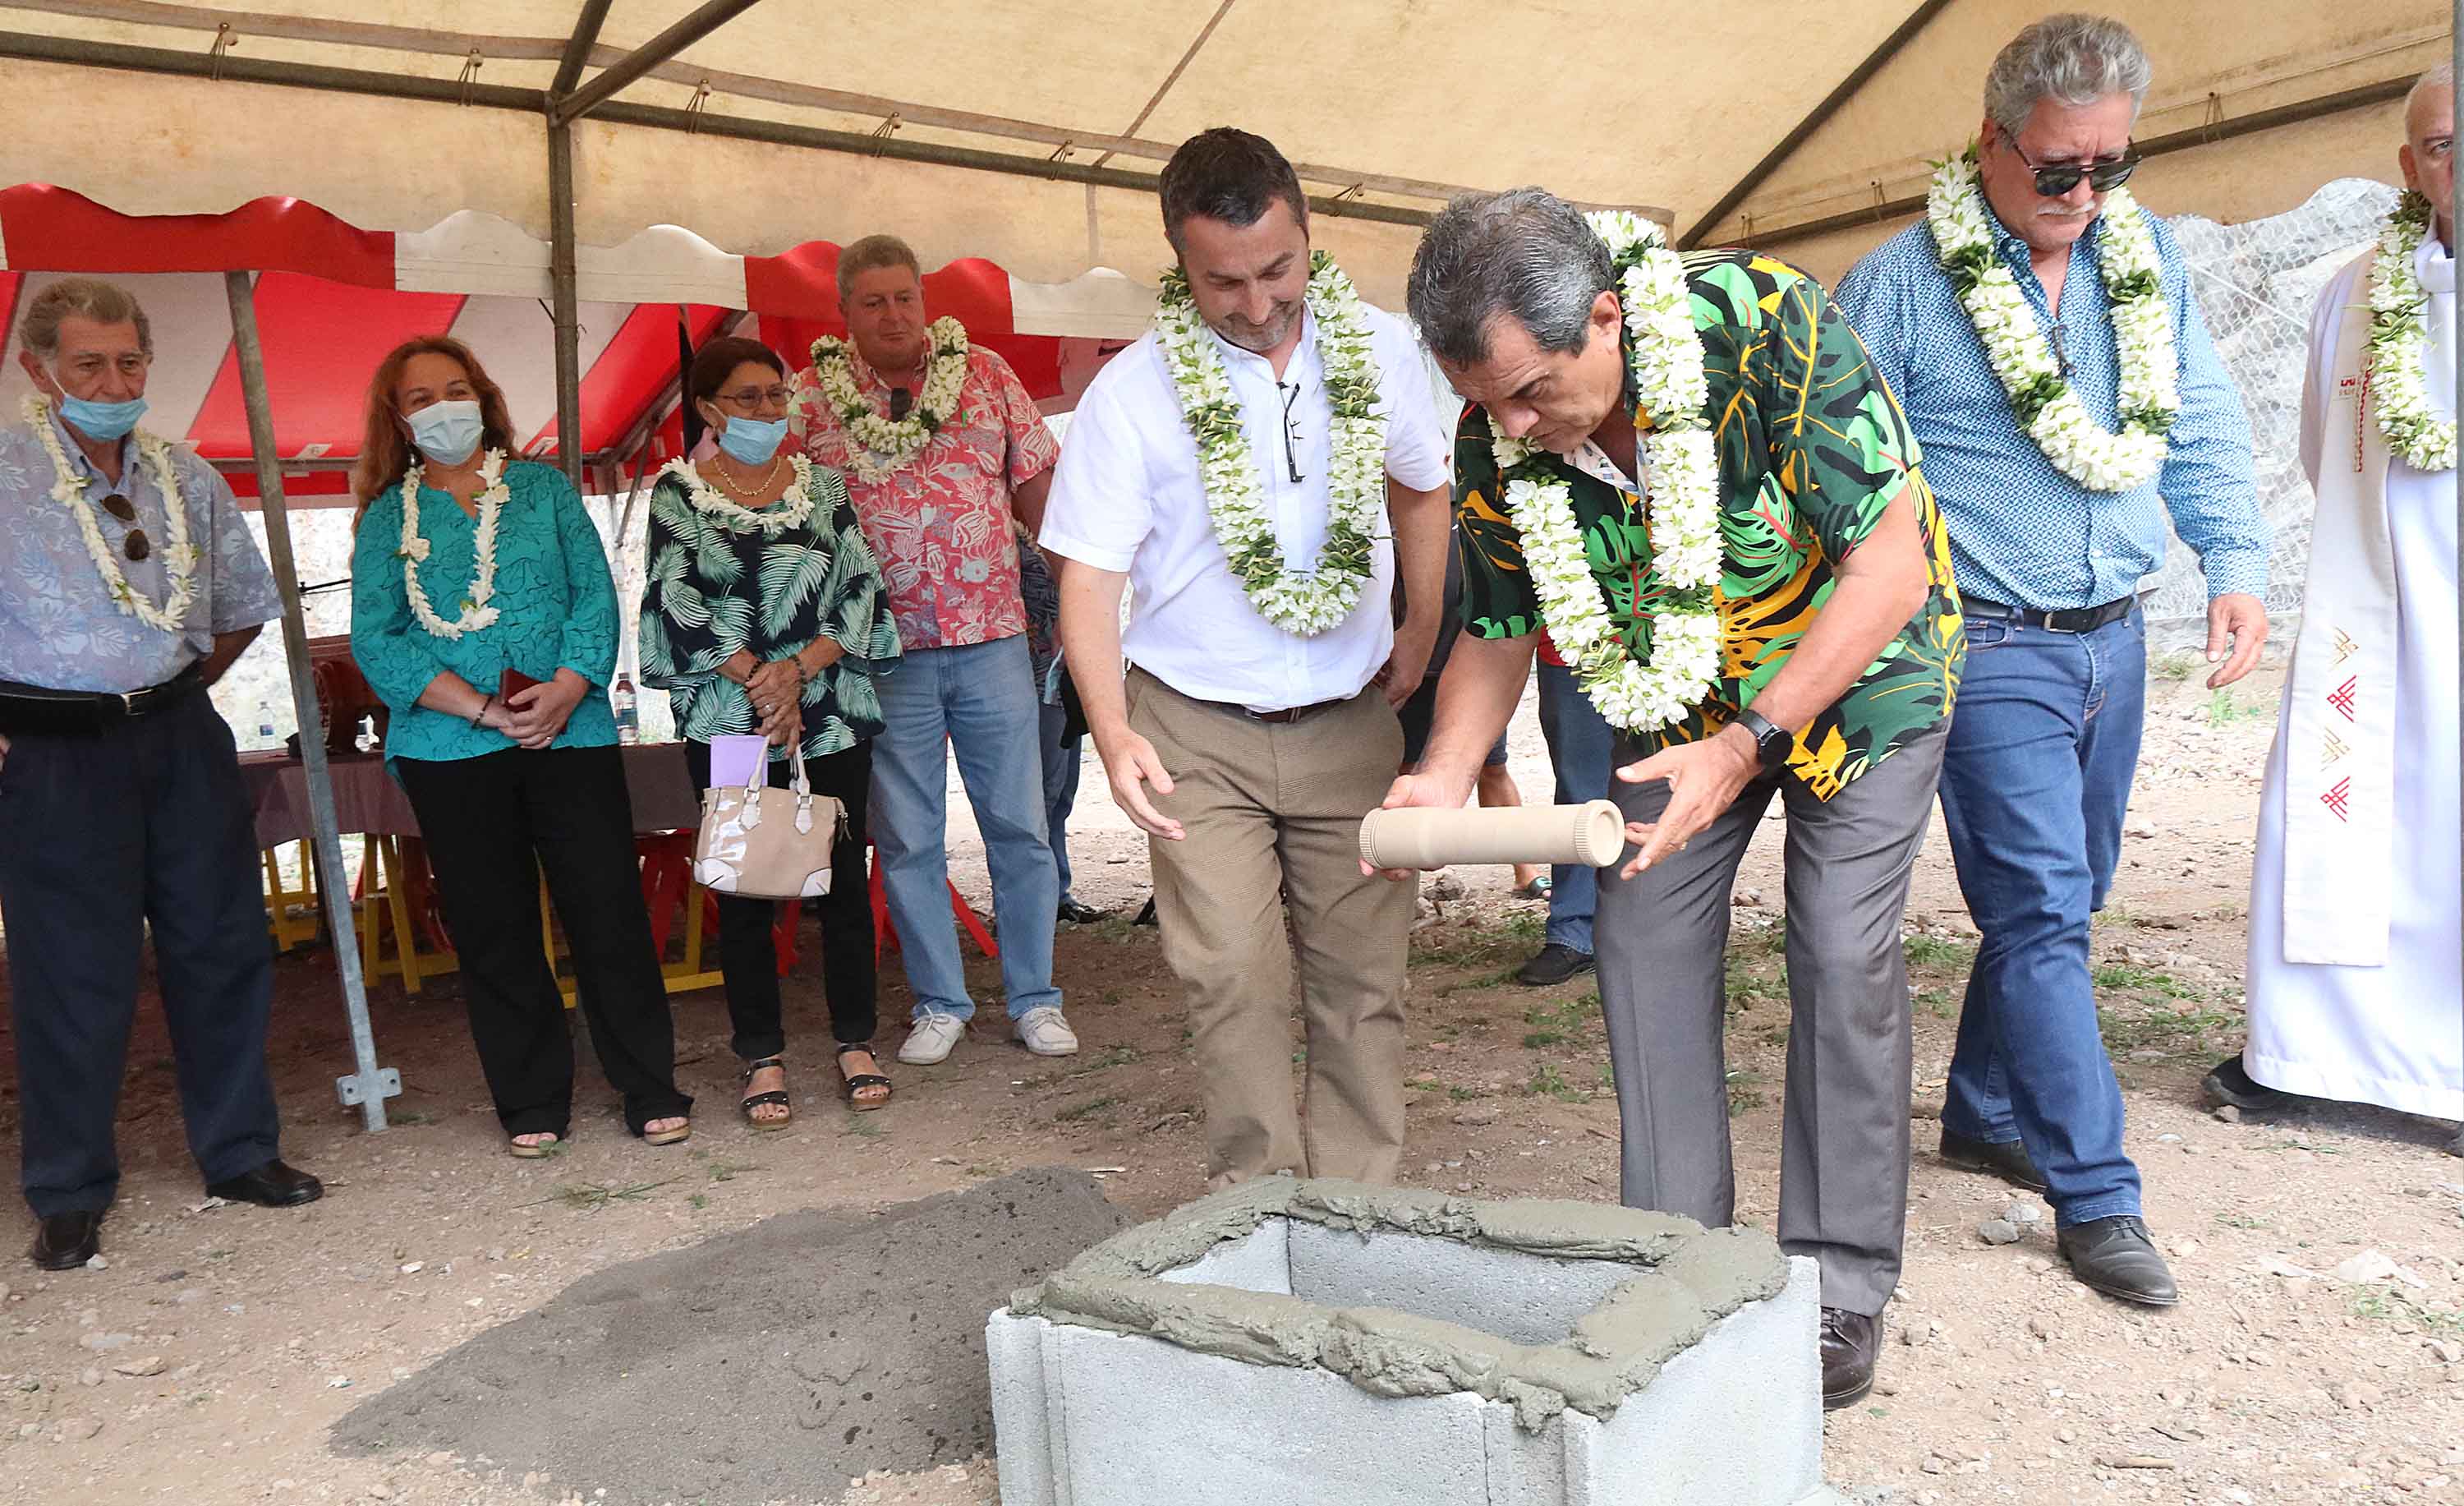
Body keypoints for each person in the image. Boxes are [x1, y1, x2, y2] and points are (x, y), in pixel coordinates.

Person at [1388, 188, 1963, 1408]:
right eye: (1482, 400)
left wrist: (1750, 744)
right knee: (1638, 943)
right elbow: (1495, 630)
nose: (1510, 424)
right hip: (1675, 681)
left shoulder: (1766, 324)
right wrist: (1440, 775)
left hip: (1859, 673)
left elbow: (1891, 564)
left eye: (1530, 390)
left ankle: (1837, 1285)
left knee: (1841, 949)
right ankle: (1677, 1260)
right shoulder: (1499, 432)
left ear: (1606, 317)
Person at [1836, 13, 2270, 1306]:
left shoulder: (2152, 262)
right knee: (2036, 912)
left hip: (2116, 636)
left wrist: (2234, 560)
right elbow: (1846, 482)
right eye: (2059, 170)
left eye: (2111, 168)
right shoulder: (1899, 285)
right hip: (1991, 647)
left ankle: (1982, 1108)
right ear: (1990, 144)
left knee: (2066, 898)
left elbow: (2198, 419)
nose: (2086, 195)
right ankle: (2099, 1194)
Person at [1045, 127, 1452, 1187]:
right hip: (1193, 730)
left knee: (1362, 979)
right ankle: (1256, 1206)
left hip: (1348, 718)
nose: (1259, 301)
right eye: (1223, 280)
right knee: (1229, 972)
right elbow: (1086, 575)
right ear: (1180, 265)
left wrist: (1421, 622)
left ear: (1308, 236)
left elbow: (1421, 483)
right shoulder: (1130, 393)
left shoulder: (1385, 350)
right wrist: (1114, 724)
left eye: (1277, 269)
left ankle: (1360, 1206)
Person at [0, 278, 322, 1270]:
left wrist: (164, 691)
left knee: (219, 944)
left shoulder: (188, 479)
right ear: (37, 369)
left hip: (181, 738)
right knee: (70, 972)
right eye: (88, 363)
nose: (112, 380)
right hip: (50, 754)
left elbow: (235, 608)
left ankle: (238, 1153)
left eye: (129, 361)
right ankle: (68, 1188)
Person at [349, 335, 692, 1156]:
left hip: (567, 736)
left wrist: (571, 686)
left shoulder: (542, 489)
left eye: (455, 388)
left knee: (606, 910)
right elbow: (379, 640)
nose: (442, 407)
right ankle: (531, 1096)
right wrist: (479, 710)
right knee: (494, 927)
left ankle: (647, 1084)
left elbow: (594, 599)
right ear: (398, 419)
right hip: (448, 747)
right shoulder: (382, 519)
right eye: (422, 397)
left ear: (486, 396)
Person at [2207, 66, 2463, 1133]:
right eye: (2445, 145)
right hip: (2385, 616)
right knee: (2346, 816)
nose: (2463, 161)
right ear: (2411, 169)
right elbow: (2324, 447)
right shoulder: (2355, 294)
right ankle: (2317, 1056)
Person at [790, 234, 1076, 1064]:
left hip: (993, 640)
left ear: (925, 301)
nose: (893, 315)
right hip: (883, 655)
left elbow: (1041, 497)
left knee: (1019, 827)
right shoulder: (810, 402)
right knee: (910, 838)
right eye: (873, 301)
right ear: (844, 313)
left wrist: (1078, 615)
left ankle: (1035, 999)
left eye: (904, 297)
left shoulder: (984, 375)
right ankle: (941, 1002)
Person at [641, 336, 904, 1121]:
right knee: (744, 886)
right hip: (730, 715)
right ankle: (761, 1055)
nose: (767, 410)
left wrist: (797, 672)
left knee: (844, 884)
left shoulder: (823, 487)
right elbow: (674, 602)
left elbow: (860, 592)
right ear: (709, 408)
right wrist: (761, 679)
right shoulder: (676, 493)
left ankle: (855, 1039)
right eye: (749, 397)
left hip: (828, 715)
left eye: (777, 394)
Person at [1392, 541, 1550, 906]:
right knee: (1407, 770)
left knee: (1493, 767)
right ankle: (1405, 885)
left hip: (1472, 664)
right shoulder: (1398, 507)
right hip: (1420, 669)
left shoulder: (1461, 504)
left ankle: (1524, 869)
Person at [1018, 527, 1105, 925]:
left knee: (1063, 789)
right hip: (1030, 675)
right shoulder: (1009, 531)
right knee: (1042, 791)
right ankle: (1038, 897)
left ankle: (1057, 891)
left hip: (1068, 674)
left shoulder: (1066, 530)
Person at [1520, 630, 1617, 987]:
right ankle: (1573, 931)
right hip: (1571, 648)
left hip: (1677, 645)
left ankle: (1681, 932)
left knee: (1676, 786)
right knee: (1580, 793)